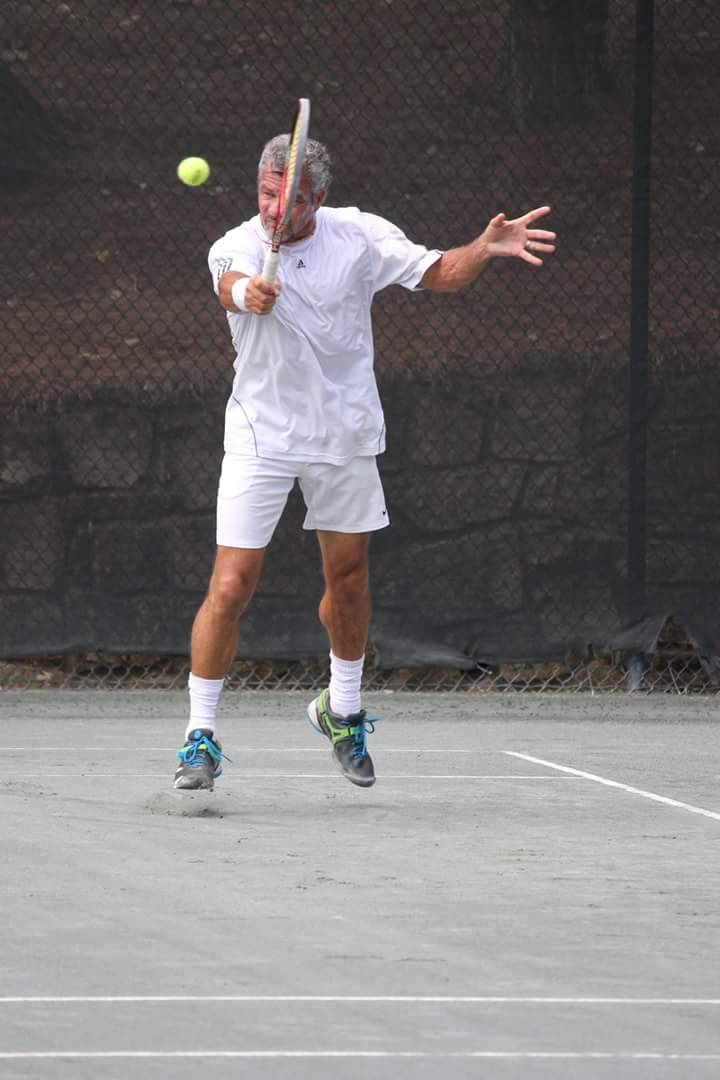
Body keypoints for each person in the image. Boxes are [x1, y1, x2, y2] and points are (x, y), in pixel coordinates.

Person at [173, 133, 556, 792]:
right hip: (261, 435)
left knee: (348, 581)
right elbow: (230, 286)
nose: (273, 209)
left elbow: (441, 273)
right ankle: (198, 737)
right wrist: (248, 295)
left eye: (288, 199)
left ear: (317, 199)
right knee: (231, 586)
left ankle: (342, 710)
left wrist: (483, 249)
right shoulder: (234, 246)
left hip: (344, 435)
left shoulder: (358, 237)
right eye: (266, 193)